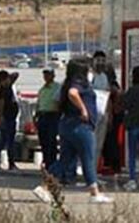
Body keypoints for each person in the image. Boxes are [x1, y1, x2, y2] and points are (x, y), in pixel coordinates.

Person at [34, 60, 113, 205]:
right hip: (81, 126)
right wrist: (83, 109)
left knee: (65, 160)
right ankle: (94, 193)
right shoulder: (78, 84)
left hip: (67, 125)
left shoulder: (66, 84)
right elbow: (73, 93)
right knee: (88, 158)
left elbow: (60, 100)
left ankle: (44, 187)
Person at [35, 68, 61, 170]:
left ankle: (52, 163)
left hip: (52, 115)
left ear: (53, 75)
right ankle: (46, 161)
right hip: (42, 116)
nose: (46, 77)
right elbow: (39, 104)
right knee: (43, 140)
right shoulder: (42, 90)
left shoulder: (57, 87)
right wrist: (36, 116)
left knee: (51, 140)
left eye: (48, 74)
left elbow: (59, 102)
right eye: (45, 75)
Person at [0, 70, 20, 171]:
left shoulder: (8, 87)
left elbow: (16, 74)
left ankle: (1, 163)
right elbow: (1, 106)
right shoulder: (3, 91)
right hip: (7, 118)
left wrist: (9, 78)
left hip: (11, 117)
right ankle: (9, 163)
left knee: (5, 141)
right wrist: (0, 118)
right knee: (7, 142)